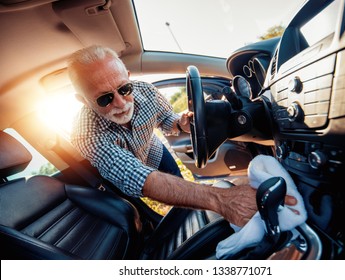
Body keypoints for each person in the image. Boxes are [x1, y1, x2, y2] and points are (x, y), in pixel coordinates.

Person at [68, 45, 296, 227]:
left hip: (155, 152)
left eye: (124, 89)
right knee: (135, 213)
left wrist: (181, 122)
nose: (120, 102)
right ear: (84, 100)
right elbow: (136, 176)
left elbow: (167, 121)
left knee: (180, 187)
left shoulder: (146, 91)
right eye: (104, 99)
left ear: (128, 77)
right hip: (123, 175)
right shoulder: (85, 133)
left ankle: (185, 217)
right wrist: (222, 199)